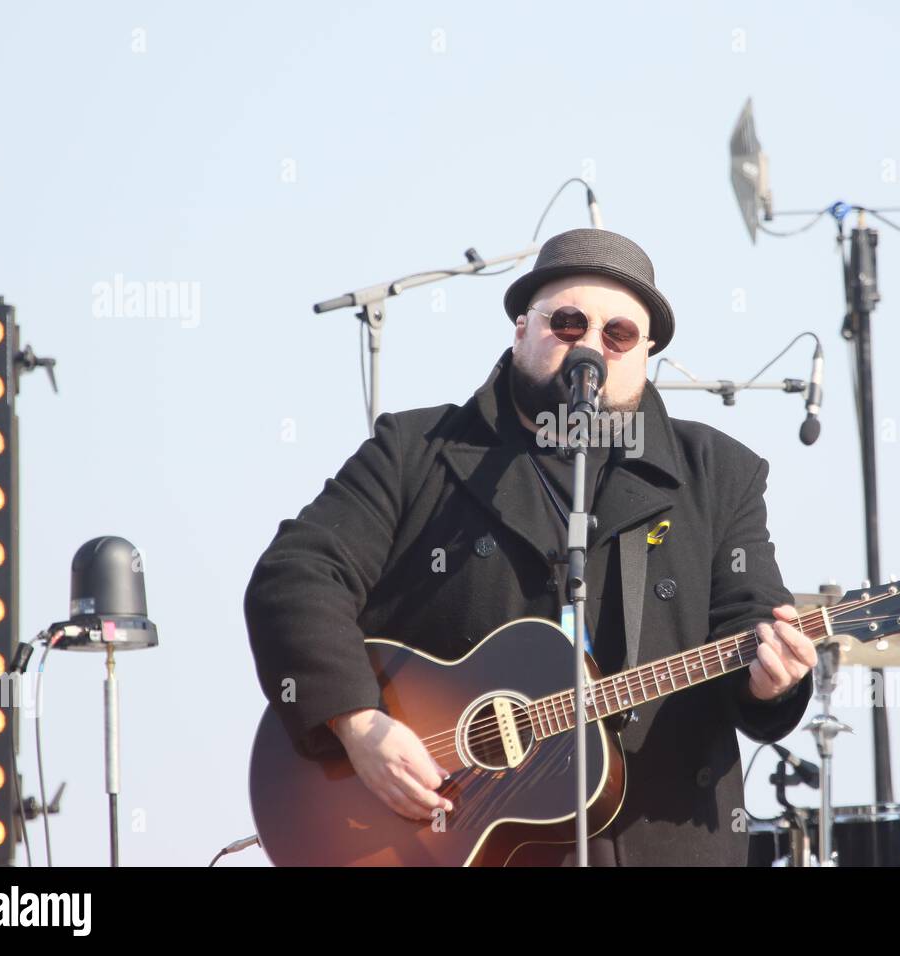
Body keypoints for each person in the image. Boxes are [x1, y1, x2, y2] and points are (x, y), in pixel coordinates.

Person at [244, 227, 816, 866]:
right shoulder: (415, 452)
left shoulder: (719, 473)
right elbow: (296, 577)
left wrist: (775, 681)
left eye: (618, 334)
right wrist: (358, 723)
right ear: (522, 328)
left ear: (645, 351)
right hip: (452, 842)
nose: (591, 346)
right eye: (568, 323)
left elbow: (752, 623)